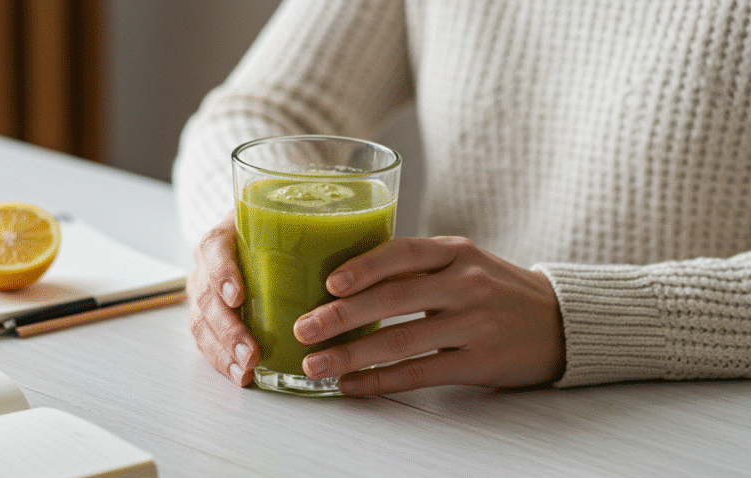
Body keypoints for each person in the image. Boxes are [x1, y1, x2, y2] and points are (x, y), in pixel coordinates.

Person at [172, 0, 751, 396]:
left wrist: (576, 319)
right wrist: (236, 242)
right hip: (444, 420)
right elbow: (260, 110)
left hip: (683, 447)